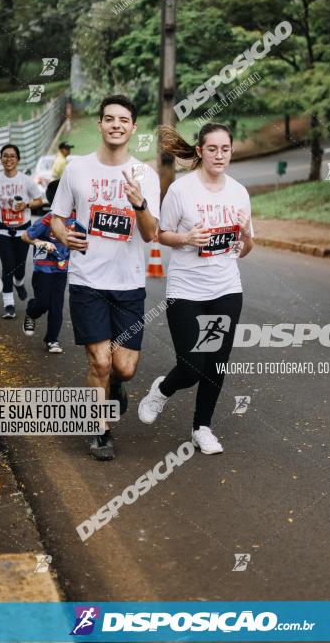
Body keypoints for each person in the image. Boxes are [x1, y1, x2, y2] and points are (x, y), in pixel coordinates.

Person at [51, 94, 160, 461]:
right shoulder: (77, 169)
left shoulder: (146, 175)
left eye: (123, 119)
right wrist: (63, 235)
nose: (116, 124)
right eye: (109, 118)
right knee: (99, 361)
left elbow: (150, 234)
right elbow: (55, 217)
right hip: (86, 281)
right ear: (99, 124)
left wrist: (139, 203)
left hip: (128, 283)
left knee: (123, 368)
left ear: (133, 127)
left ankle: (115, 387)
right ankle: (100, 430)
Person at [138, 122, 254, 455]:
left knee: (216, 362)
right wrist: (187, 238)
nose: (219, 155)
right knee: (191, 365)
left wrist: (245, 235)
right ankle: (162, 389)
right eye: (213, 149)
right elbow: (161, 234)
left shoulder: (239, 192)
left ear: (231, 151)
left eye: (225, 149)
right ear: (200, 152)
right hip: (187, 289)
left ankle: (202, 428)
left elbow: (244, 250)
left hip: (226, 288)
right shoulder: (181, 190)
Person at [0, 144, 42, 319]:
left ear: (18, 159)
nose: (8, 159)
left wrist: (26, 205)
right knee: (7, 266)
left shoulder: (27, 181)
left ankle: (19, 282)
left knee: (20, 266)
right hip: (2, 229)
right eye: (5, 156)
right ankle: (8, 304)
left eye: (12, 156)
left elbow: (39, 201)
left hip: (23, 229)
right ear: (1, 159)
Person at [21, 180, 74, 354]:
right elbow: (25, 236)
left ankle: (52, 340)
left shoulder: (74, 219)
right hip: (43, 270)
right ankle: (31, 312)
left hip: (61, 269)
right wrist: (41, 243)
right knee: (43, 303)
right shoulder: (48, 219)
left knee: (56, 306)